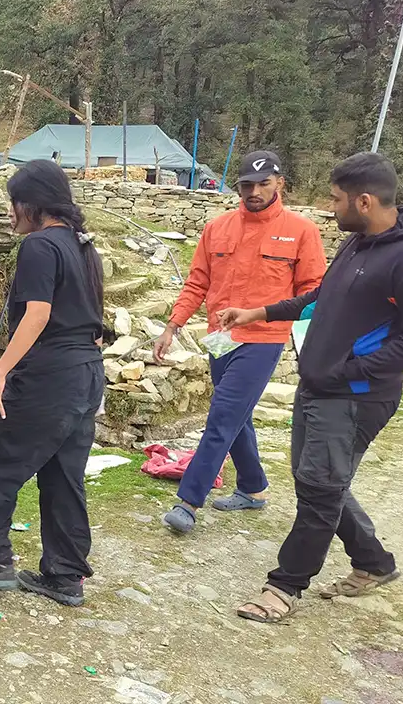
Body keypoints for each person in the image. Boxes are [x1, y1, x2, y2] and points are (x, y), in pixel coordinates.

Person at [219, 152, 403, 623]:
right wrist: (259, 313)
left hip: (355, 397)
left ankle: (284, 587)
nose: (329, 206)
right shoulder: (359, 243)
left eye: (336, 199)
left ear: (364, 201)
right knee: (319, 479)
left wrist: (350, 370)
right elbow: (322, 296)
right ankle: (374, 564)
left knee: (319, 487)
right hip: (319, 387)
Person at [0, 159, 105, 607]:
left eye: (13, 204)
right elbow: (93, 324)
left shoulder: (39, 246)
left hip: (49, 377)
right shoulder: (82, 247)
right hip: (86, 374)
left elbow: (38, 314)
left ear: (33, 205)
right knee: (62, 475)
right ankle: (65, 574)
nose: (10, 214)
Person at [155, 150, 327, 534]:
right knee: (238, 416)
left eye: (263, 184)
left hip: (264, 339)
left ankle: (188, 502)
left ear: (280, 184)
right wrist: (173, 325)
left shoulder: (302, 231)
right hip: (220, 338)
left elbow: (314, 294)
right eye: (246, 185)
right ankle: (252, 488)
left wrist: (268, 314)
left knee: (221, 415)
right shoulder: (217, 228)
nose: (254, 191)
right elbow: (197, 281)